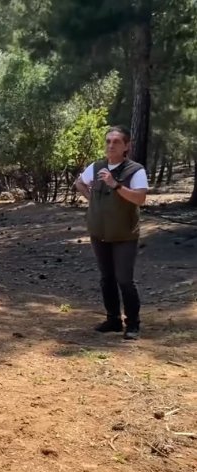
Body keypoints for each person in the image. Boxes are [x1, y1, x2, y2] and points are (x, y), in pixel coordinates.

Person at [74, 126, 148, 340]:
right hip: (99, 232)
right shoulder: (97, 166)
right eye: (108, 141)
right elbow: (79, 183)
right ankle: (113, 319)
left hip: (124, 234)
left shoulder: (135, 170)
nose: (111, 145)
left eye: (116, 142)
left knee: (124, 279)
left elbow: (140, 199)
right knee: (106, 278)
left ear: (126, 146)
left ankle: (132, 324)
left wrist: (115, 185)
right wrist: (93, 201)